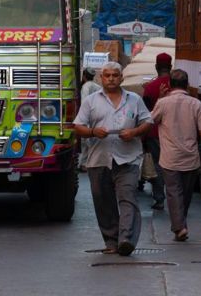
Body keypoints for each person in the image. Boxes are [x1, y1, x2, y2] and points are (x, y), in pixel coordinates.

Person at [73, 62, 152, 256]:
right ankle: (111, 240)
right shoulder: (91, 101)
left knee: (128, 198)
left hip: (128, 159)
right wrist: (93, 131)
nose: (110, 79)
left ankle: (126, 239)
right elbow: (78, 127)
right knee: (103, 201)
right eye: (107, 75)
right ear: (101, 78)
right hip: (99, 159)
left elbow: (147, 122)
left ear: (121, 78)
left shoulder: (134, 99)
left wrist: (134, 132)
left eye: (114, 75)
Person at [151, 69, 201, 242]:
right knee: (185, 194)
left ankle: (179, 226)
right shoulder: (196, 104)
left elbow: (150, 121)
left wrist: (160, 99)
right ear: (187, 85)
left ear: (170, 84)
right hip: (190, 157)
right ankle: (180, 225)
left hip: (170, 157)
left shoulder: (163, 103)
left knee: (173, 193)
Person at [141, 53, 172, 210]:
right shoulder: (178, 85)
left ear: (156, 67)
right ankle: (175, 199)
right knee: (175, 167)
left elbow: (145, 113)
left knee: (158, 165)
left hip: (154, 133)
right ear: (171, 67)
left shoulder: (150, 88)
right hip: (176, 133)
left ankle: (159, 198)